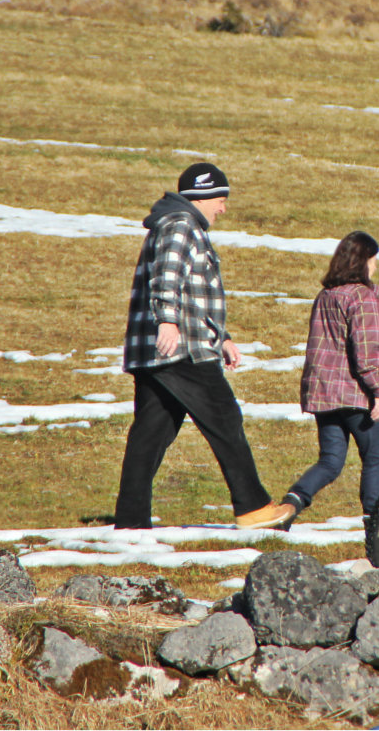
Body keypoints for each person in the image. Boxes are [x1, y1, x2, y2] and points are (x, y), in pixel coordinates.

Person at [112, 163, 294, 530]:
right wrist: (167, 320)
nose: (223, 208)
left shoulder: (176, 224)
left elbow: (195, 293)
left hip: (165, 347)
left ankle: (130, 521)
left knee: (150, 434)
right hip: (182, 348)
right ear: (203, 195)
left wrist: (222, 337)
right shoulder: (181, 225)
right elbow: (168, 274)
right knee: (225, 418)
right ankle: (254, 508)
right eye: (221, 199)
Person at [278, 231, 379, 527]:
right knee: (374, 459)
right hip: (358, 396)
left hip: (325, 395)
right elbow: (367, 352)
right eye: (373, 260)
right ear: (362, 261)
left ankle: (289, 506)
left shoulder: (326, 295)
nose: (375, 267)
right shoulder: (364, 297)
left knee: (330, 462)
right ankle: (375, 524)